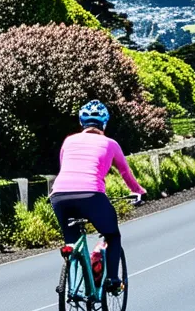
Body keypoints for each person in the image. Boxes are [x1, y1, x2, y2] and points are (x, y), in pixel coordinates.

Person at [49, 100, 146, 292]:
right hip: (92, 194)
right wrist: (139, 191)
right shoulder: (111, 144)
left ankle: (72, 274)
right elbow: (126, 174)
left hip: (59, 195)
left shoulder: (68, 140)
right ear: (104, 123)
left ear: (82, 123)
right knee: (112, 235)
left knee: (71, 239)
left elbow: (65, 168)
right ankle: (112, 280)